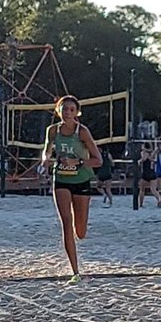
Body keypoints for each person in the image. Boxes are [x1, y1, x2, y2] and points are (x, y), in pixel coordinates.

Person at [41, 95, 102, 284]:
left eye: (71, 110)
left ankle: (79, 232)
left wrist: (78, 161)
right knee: (66, 222)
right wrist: (46, 159)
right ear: (58, 111)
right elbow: (47, 149)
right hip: (61, 180)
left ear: (77, 113)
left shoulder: (82, 132)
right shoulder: (52, 131)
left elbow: (98, 160)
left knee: (80, 231)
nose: (67, 112)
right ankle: (75, 271)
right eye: (64, 109)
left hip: (82, 179)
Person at [137, 144, 161, 208]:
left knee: (142, 190)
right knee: (153, 189)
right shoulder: (152, 154)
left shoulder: (144, 153)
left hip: (146, 173)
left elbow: (143, 159)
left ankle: (141, 204)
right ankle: (159, 200)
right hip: (152, 173)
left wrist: (139, 161)